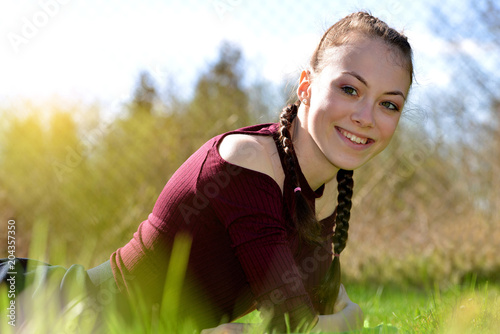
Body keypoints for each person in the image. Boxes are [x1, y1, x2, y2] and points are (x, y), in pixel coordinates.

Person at [1, 11, 413, 334]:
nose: (365, 117)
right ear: (305, 86)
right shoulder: (247, 163)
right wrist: (351, 318)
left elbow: (312, 309)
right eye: (349, 89)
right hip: (59, 316)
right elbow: (296, 326)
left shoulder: (329, 191)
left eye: (389, 104)